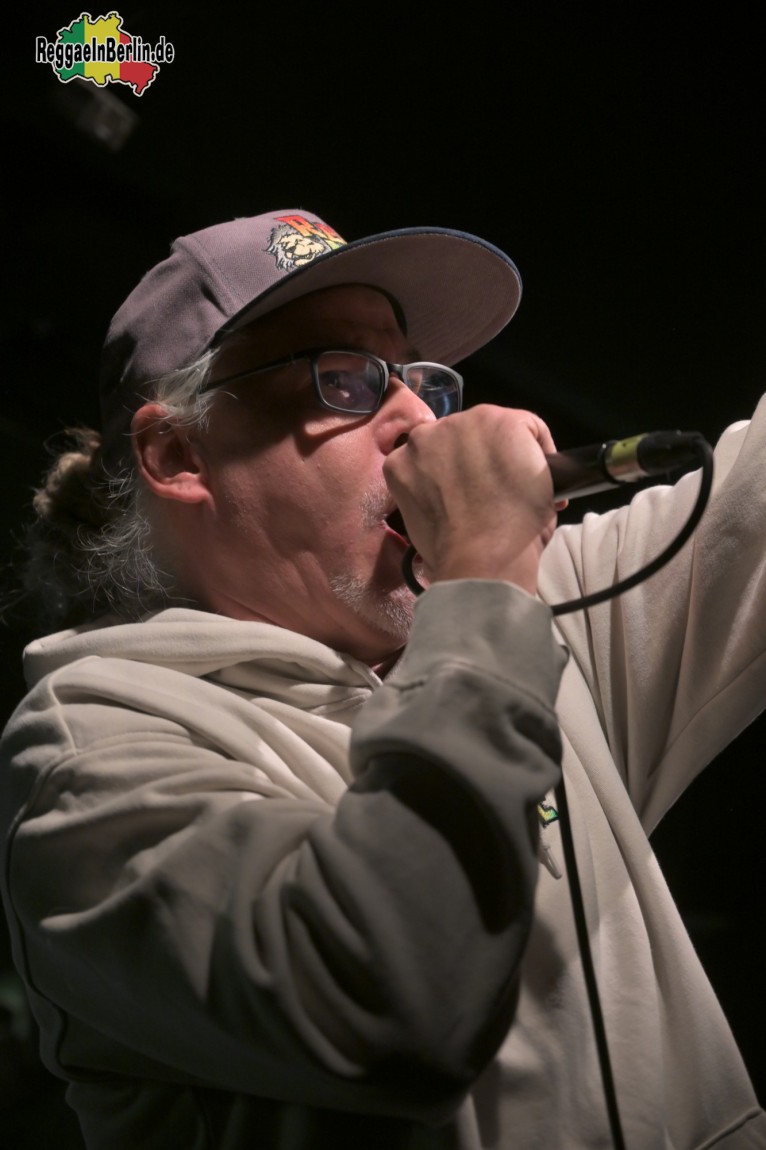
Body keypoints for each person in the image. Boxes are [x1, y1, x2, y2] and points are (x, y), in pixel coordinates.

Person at [0, 207, 764, 1150]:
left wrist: (489, 588)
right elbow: (392, 1000)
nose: (416, 417)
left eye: (415, 379)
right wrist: (485, 575)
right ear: (180, 454)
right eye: (346, 378)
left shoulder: (526, 604)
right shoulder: (88, 754)